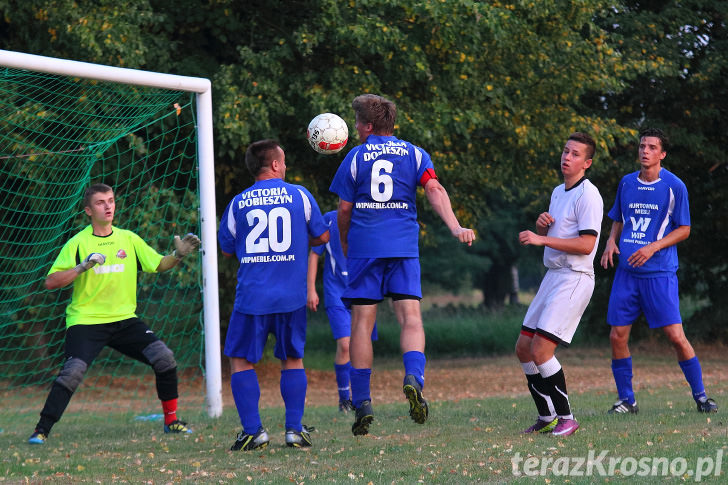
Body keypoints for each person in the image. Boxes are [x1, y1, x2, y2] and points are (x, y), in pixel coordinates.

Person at [329, 94, 476, 436]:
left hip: (366, 247)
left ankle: (363, 403)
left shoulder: (355, 157)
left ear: (367, 126)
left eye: (356, 123)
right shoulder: (414, 153)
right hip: (403, 246)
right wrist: (455, 226)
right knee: (410, 316)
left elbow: (345, 210)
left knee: (362, 324)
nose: (354, 128)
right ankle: (413, 377)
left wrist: (347, 242)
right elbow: (434, 189)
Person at [28, 183, 200, 445]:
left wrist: (177, 255)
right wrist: (81, 267)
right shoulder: (78, 243)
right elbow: (51, 281)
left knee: (164, 358)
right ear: (88, 210)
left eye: (110, 200)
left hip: (124, 321)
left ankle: (172, 422)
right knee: (72, 373)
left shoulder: (128, 239)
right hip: (86, 322)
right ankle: (41, 429)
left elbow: (158, 264)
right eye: (100, 202)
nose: (108, 206)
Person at [219, 139, 329, 451]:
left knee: (240, 360)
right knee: (292, 358)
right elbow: (321, 235)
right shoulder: (300, 195)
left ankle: (253, 431)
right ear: (277, 165)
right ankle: (294, 430)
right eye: (285, 161)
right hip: (291, 297)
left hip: (252, 297)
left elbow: (227, 249)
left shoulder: (238, 203)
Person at [600, 127, 717, 414]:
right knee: (617, 335)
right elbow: (618, 217)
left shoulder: (674, 186)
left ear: (662, 154)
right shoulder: (627, 183)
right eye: (642, 146)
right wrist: (610, 241)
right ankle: (627, 399)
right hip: (627, 275)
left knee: (676, 337)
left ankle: (701, 397)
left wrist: (653, 247)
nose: (645, 151)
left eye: (652, 147)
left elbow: (685, 229)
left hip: (659, 275)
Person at [515, 132, 603, 437]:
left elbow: (586, 245)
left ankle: (568, 418)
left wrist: (541, 238)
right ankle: (547, 417)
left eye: (576, 154)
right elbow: (562, 233)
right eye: (566, 151)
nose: (568, 157)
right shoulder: (558, 191)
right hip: (553, 276)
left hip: (575, 279)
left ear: (587, 163)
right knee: (524, 348)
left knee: (541, 349)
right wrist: (544, 226)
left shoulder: (588, 195)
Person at [307, 210, 378, 413]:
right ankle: (344, 398)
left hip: (363, 291)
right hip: (336, 292)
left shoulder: (367, 216)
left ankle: (361, 397)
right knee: (345, 345)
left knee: (361, 346)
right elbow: (314, 254)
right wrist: (311, 289)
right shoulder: (328, 220)